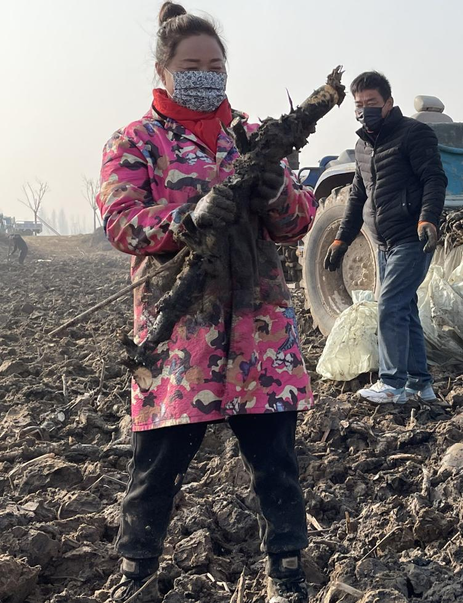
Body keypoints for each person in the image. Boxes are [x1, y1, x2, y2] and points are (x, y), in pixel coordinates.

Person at [96, 3, 316, 601]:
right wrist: (185, 218)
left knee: (275, 458)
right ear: (163, 70)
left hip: (260, 324)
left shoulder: (255, 136)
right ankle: (137, 574)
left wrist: (278, 193)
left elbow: (299, 221)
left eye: (215, 66)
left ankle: (286, 573)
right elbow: (121, 221)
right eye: (191, 67)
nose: (205, 76)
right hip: (180, 329)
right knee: (159, 460)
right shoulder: (136, 141)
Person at [324, 72, 447, 405]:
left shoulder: (414, 134)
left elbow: (434, 179)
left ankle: (392, 383)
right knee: (404, 308)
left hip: (411, 236)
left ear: (389, 103)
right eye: (359, 104)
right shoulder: (363, 146)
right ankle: (420, 385)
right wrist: (341, 240)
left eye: (372, 103)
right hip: (383, 242)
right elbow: (357, 195)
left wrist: (428, 218)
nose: (365, 110)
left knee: (390, 305)